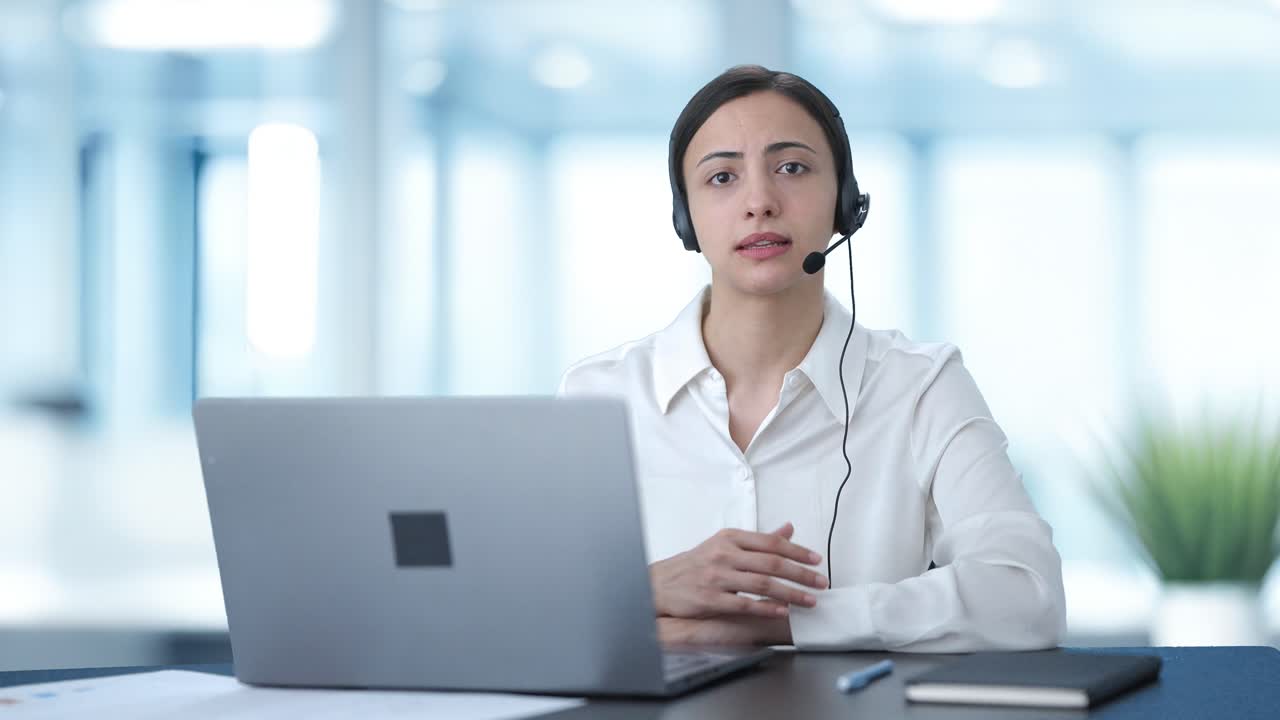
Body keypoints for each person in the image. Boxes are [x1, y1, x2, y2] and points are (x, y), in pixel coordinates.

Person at [557, 65, 1066, 652]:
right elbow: (531, 613)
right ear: (685, 217)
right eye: (722, 177)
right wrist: (644, 590)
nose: (759, 202)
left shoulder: (922, 385)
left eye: (791, 168)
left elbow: (1028, 598)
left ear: (844, 202)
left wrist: (791, 622)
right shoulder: (599, 394)